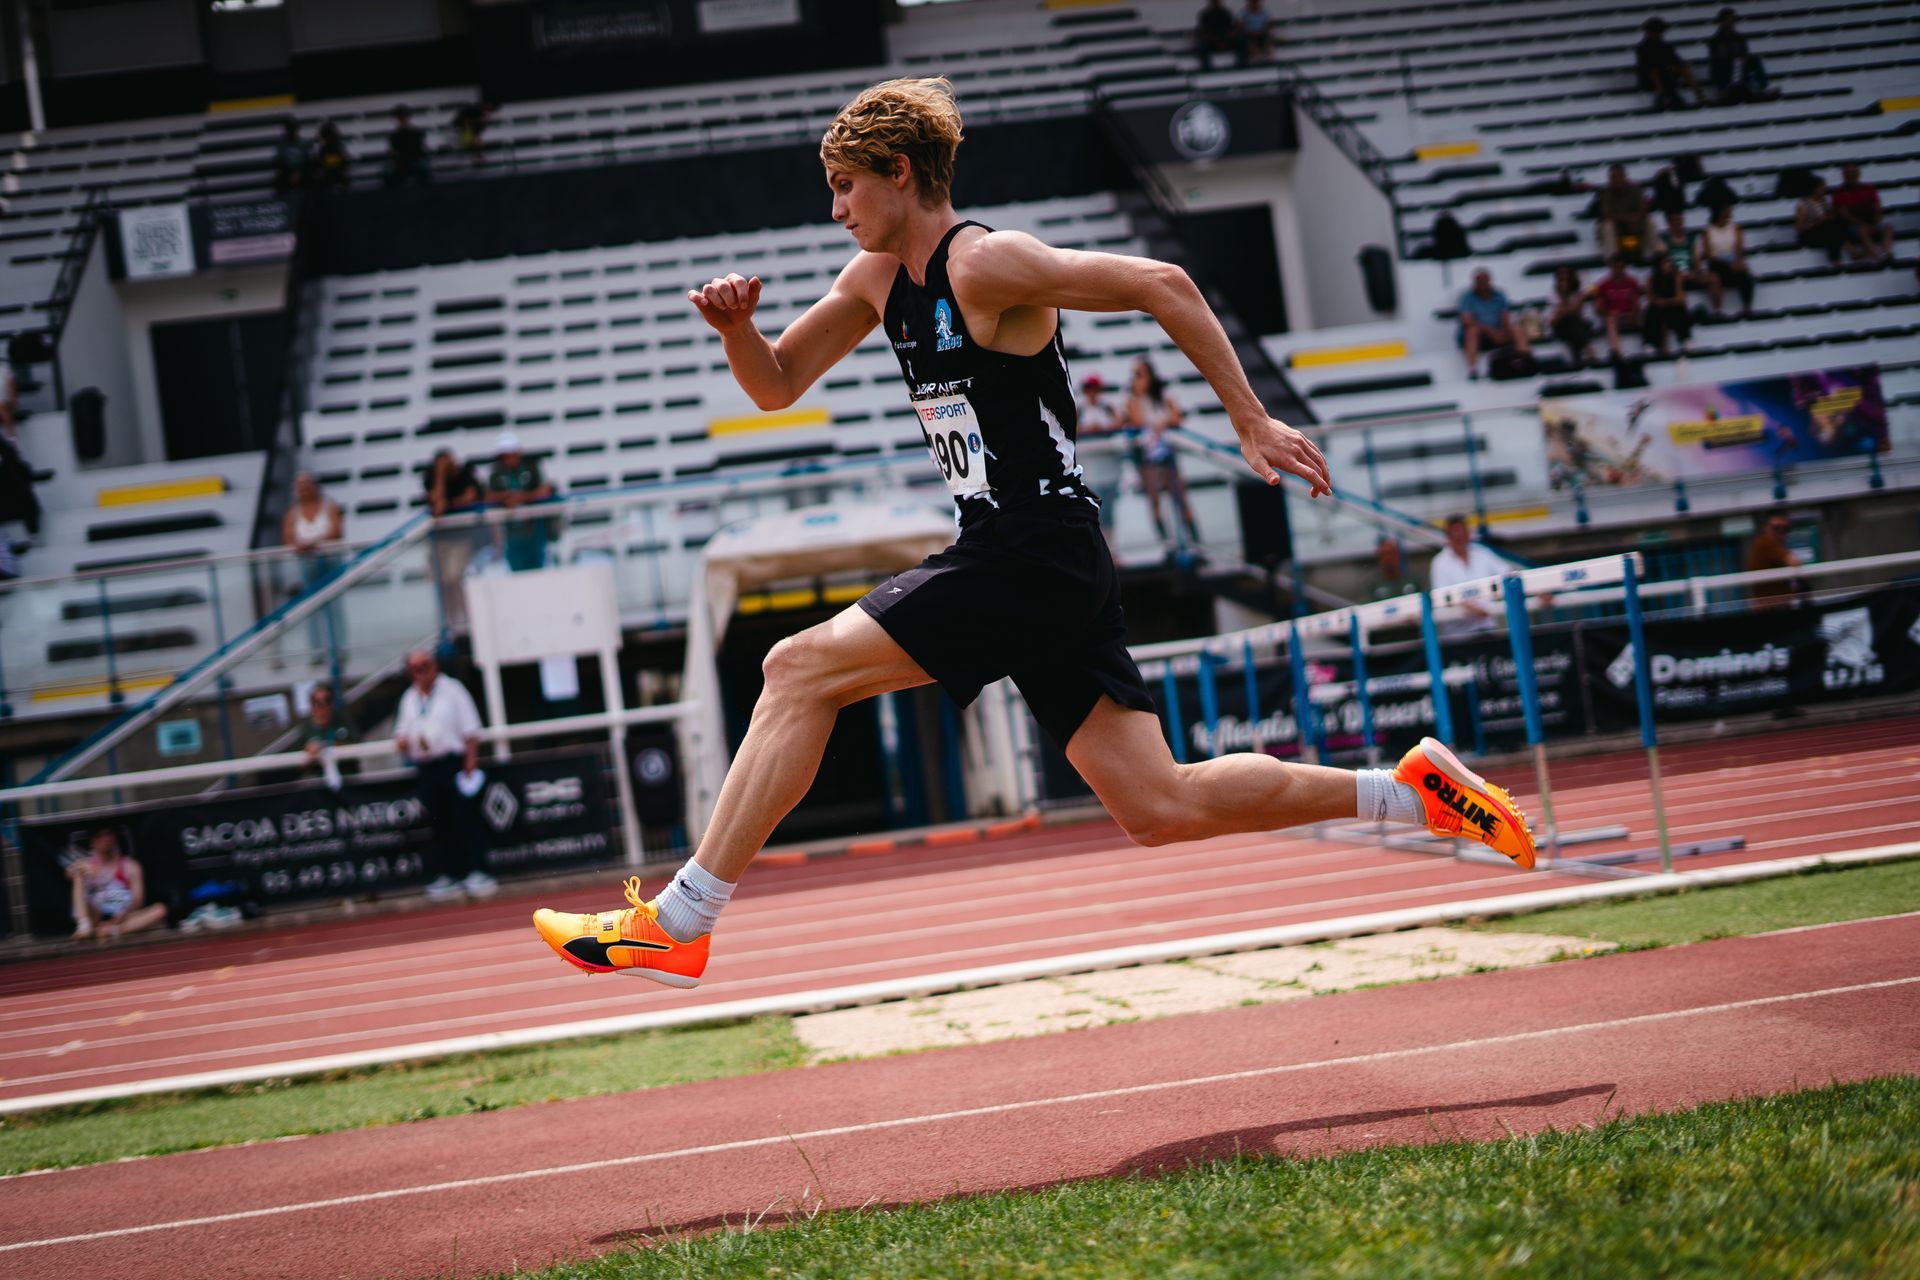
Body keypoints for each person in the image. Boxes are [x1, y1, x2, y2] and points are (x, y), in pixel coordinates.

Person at [530, 77, 1536, 989]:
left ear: (900, 172)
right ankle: (1413, 793)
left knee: (795, 667)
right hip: (1040, 557)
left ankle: (682, 917)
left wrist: (1249, 417)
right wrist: (737, 329)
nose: (834, 210)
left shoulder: (986, 262)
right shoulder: (880, 282)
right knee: (1160, 806)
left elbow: (1167, 286)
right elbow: (777, 386)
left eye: (844, 187)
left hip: (1030, 549)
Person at [393, 648, 495, 901]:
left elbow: (471, 730)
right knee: (438, 823)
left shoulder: (453, 690)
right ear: (410, 673)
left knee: (466, 818)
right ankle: (449, 874)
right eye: (416, 668)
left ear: (435, 666)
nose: (423, 671)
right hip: (426, 767)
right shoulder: (409, 698)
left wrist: (469, 764)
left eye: (427, 665)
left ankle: (478, 871)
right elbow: (401, 735)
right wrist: (408, 743)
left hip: (454, 763)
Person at [1127, 358, 1202, 553]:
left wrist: (1162, 424)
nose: (1138, 379)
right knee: (1155, 499)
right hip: (1147, 455)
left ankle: (1195, 543)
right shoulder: (1134, 401)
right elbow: (1136, 422)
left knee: (1180, 496)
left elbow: (1177, 418)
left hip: (1165, 451)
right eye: (1136, 375)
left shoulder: (1164, 396)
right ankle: (1168, 544)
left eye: (1141, 374)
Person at [282, 472, 345, 665]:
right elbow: (287, 539)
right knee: (311, 608)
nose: (304, 490)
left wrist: (313, 543)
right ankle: (316, 651)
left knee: (333, 607)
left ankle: (338, 649)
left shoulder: (329, 506)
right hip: (306, 564)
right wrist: (303, 547)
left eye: (307, 485)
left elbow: (336, 532)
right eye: (300, 486)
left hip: (329, 561)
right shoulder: (293, 512)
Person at [67, 826, 168, 941]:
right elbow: (69, 874)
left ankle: (111, 931)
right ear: (92, 841)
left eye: (109, 834)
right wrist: (83, 870)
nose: (106, 839)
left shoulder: (131, 866)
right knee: (77, 875)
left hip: (122, 917)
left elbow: (138, 899)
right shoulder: (86, 865)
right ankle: (84, 926)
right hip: (96, 914)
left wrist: (124, 913)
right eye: (100, 836)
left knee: (160, 910)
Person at [425, 448, 486, 630]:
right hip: (440, 541)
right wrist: (440, 475)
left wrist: (448, 503)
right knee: (443, 584)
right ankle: (449, 623)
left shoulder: (465, 475)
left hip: (459, 538)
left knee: (455, 579)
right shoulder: (432, 478)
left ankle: (464, 621)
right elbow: (436, 505)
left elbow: (469, 498)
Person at [1427, 514, 1511, 635]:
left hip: (1487, 627)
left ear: (1468, 533)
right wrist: (1469, 608)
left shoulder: (1483, 553)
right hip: (1459, 635)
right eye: (1456, 532)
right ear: (1448, 536)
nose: (1460, 536)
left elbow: (1508, 574)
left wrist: (1534, 590)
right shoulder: (1439, 563)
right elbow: (1441, 597)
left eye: (1463, 531)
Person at [488, 433, 556, 571]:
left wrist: (520, 497)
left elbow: (544, 490)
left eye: (511, 454)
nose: (509, 459)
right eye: (505, 455)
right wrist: (507, 498)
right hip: (512, 530)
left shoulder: (530, 468)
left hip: (534, 526)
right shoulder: (497, 472)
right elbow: (489, 495)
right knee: (517, 567)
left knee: (539, 566)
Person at [1075, 374, 1127, 549]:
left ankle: (1111, 549)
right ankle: (1098, 548)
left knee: (1109, 513)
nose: (1092, 393)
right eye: (1089, 389)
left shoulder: (1107, 407)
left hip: (1109, 468)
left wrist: (1102, 428)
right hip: (1090, 470)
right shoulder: (1080, 409)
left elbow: (1120, 424)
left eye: (1094, 389)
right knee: (1095, 513)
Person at [1456, 268, 1530, 378]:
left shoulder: (1499, 295)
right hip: (1480, 334)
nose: (1481, 284)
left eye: (1484, 281)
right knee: (1472, 331)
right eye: (1478, 282)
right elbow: (1467, 320)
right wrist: (1490, 332)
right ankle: (1473, 369)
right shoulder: (1467, 297)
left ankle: (1527, 360)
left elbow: (1505, 317)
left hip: (1497, 332)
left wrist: (1503, 331)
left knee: (1517, 328)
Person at [1696, 203, 1754, 315]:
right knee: (1716, 275)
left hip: (1733, 262)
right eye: (1727, 210)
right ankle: (1718, 310)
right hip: (1717, 264)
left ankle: (1747, 308)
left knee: (1745, 274)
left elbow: (1739, 249)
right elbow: (1708, 254)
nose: (1730, 213)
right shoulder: (1708, 231)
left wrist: (1736, 261)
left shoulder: (1735, 228)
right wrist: (1726, 262)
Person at [1707, 8, 1777, 102]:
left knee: (1752, 60)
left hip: (1739, 68)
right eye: (1729, 20)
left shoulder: (1740, 38)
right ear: (1722, 22)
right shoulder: (1715, 41)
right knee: (1731, 62)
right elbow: (1717, 60)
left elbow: (1744, 54)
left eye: (1732, 20)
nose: (1731, 23)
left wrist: (1742, 59)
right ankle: (1728, 87)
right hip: (1724, 71)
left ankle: (1763, 86)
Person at [1636, 16, 1705, 112]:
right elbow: (1647, 68)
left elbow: (1678, 63)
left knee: (1682, 68)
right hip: (1651, 80)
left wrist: (1671, 68)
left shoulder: (1665, 46)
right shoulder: (1643, 48)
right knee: (1655, 71)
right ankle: (1661, 95)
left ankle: (1698, 94)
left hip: (1667, 78)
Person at [1832, 164, 1896, 264]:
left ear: (1858, 174)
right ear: (1843, 176)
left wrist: (1876, 219)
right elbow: (1844, 214)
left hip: (1871, 221)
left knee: (1888, 227)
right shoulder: (1839, 192)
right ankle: (1877, 256)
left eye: (1853, 173)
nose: (1851, 176)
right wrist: (1862, 223)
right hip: (1852, 226)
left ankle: (1887, 252)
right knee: (1863, 231)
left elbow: (1876, 205)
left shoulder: (1868, 188)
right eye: (1848, 173)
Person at [1590, 253, 1646, 361]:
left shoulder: (1632, 282)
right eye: (1615, 267)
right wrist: (1608, 313)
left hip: (1629, 315)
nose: (1618, 270)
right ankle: (1616, 351)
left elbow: (1636, 301)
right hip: (1613, 316)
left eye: (1620, 267)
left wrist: (1634, 314)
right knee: (1611, 320)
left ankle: (1648, 346)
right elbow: (1598, 307)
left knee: (1647, 314)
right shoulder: (1603, 285)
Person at [1594, 165, 1653, 261]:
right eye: (1613, 177)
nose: (1616, 179)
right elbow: (1606, 214)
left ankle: (1651, 255)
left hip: (1633, 225)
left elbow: (1644, 209)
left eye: (1619, 176)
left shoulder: (1635, 190)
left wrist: (1635, 219)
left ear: (1625, 177)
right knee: (1608, 225)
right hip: (1612, 227)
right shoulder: (1605, 192)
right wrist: (1628, 219)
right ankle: (1613, 258)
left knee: (1649, 221)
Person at [1795, 178, 1856, 266]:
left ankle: (1839, 258)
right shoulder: (1803, 204)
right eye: (1822, 188)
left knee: (1833, 229)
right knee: (1830, 230)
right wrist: (1817, 222)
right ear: (1814, 189)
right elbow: (1799, 227)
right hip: (1810, 234)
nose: (1824, 190)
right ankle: (1849, 251)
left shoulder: (1825, 202)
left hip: (1826, 231)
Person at [1745, 511, 1800, 609]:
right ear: (1766, 528)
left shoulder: (1763, 543)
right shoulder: (1767, 543)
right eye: (1776, 528)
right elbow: (1793, 561)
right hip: (1772, 607)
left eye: (1785, 529)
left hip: (1772, 605)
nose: (1781, 532)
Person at [1642, 252, 1693, 355]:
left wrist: (1665, 302)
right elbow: (1651, 299)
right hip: (1659, 309)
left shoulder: (1676, 276)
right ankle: (1650, 343)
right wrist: (1662, 302)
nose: (1669, 264)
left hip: (1673, 308)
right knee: (1651, 312)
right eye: (1666, 262)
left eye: (1669, 262)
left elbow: (1680, 298)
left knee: (1681, 309)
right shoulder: (1651, 279)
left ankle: (1685, 339)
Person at [1548, 265, 1597, 363]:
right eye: (1561, 277)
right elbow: (1554, 319)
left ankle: (1577, 359)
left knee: (1573, 324)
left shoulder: (1578, 293)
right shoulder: (1553, 295)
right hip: (1561, 327)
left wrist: (1564, 310)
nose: (1564, 279)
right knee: (1571, 322)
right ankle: (1588, 350)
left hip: (1579, 325)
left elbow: (1577, 311)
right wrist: (1565, 307)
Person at [385, 106, 430, 187]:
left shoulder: (417, 133)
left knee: (424, 168)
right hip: (401, 163)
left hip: (416, 161)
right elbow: (393, 153)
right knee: (388, 172)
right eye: (399, 118)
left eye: (403, 117)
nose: (402, 120)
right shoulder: (394, 135)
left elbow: (422, 150)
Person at [1367, 536, 1421, 601]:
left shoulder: (1412, 581)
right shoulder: (1375, 585)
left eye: (1391, 554)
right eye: (1384, 555)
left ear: (1398, 556)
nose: (1387, 559)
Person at [1195, 0, 1245, 69]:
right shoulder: (1205, 15)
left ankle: (1242, 64)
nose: (1216, 3)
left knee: (1241, 41)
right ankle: (1207, 67)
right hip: (1212, 42)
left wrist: (1226, 40)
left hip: (1227, 40)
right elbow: (1203, 31)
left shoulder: (1226, 13)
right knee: (1201, 45)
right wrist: (1216, 41)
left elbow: (1232, 29)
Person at [271, 120, 308, 195]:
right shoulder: (281, 144)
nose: (292, 132)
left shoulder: (304, 143)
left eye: (293, 130)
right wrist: (290, 174)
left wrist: (298, 173)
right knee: (279, 180)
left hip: (302, 172)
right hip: (287, 173)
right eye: (290, 130)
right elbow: (279, 161)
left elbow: (308, 160)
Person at [312, 122, 351, 190]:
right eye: (326, 136)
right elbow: (319, 165)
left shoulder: (340, 147)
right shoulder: (322, 149)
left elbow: (345, 162)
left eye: (330, 136)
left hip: (339, 176)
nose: (328, 138)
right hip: (327, 178)